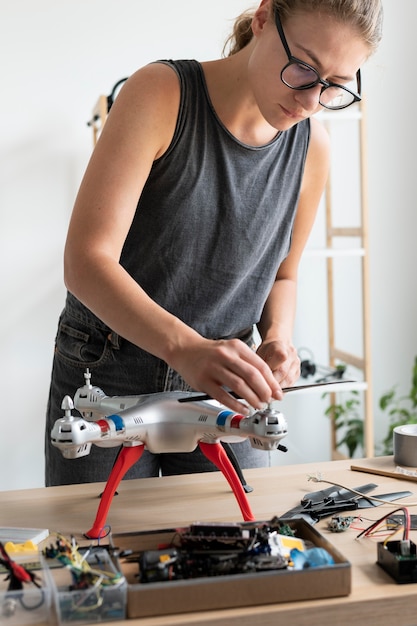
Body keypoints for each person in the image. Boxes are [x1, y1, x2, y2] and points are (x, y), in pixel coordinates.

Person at [45, 0, 383, 486]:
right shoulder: (160, 93)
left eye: (334, 86)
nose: (311, 101)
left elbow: (283, 273)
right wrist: (187, 349)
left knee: (239, 549)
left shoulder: (313, 146)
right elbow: (85, 261)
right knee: (96, 553)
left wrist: (278, 339)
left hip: (224, 381)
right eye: (304, 69)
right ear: (264, 18)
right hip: (108, 365)